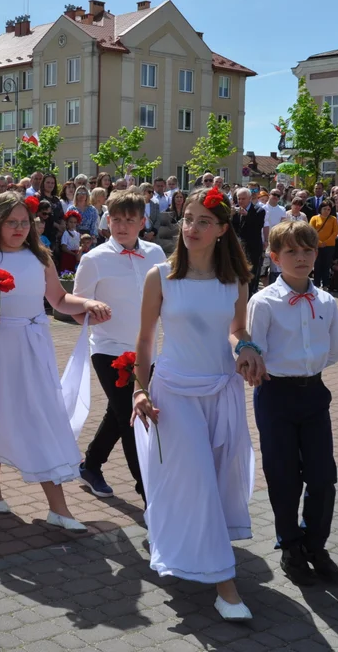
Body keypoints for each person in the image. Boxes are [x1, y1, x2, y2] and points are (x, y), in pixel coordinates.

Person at [0, 192, 112, 530]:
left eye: (24, 222)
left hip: (31, 348)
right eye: (12, 222)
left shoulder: (40, 258)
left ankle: (59, 508)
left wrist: (86, 305)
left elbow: (58, 299)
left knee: (38, 418)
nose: (19, 228)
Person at [131, 187, 260, 621]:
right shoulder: (160, 277)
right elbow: (146, 340)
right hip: (174, 394)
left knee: (216, 482)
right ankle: (226, 587)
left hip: (222, 391)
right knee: (200, 480)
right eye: (188, 218)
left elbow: (237, 329)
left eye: (204, 221)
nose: (192, 228)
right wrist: (140, 389)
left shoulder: (236, 280)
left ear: (223, 229)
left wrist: (245, 348)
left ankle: (187, 547)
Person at [248, 221, 338, 587]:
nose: (301, 258)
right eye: (291, 252)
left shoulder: (326, 301)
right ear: (275, 258)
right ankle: (290, 544)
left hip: (314, 395)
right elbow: (254, 348)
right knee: (284, 476)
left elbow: (334, 350)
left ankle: (315, 544)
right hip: (276, 396)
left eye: (307, 250)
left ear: (317, 254)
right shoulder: (264, 302)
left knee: (323, 477)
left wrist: (309, 368)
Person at [72, 190, 167, 503]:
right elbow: (73, 308)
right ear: (107, 221)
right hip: (109, 350)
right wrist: (89, 305)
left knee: (119, 412)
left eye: (130, 220)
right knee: (133, 417)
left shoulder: (156, 254)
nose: (122, 226)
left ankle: (91, 464)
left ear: (142, 222)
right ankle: (149, 494)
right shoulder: (94, 259)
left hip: (146, 350)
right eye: (116, 219)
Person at [231, 188, 266, 297]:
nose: (240, 201)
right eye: (239, 199)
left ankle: (250, 297)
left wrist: (247, 216)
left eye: (243, 199)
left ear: (250, 199)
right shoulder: (237, 211)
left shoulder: (259, 210)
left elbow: (257, 227)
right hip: (239, 248)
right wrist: (231, 216)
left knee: (252, 275)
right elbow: (234, 230)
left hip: (253, 248)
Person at [309, 201, 338, 290]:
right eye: (324, 209)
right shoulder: (314, 218)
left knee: (326, 265)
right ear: (320, 209)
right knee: (317, 265)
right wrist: (319, 242)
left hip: (329, 246)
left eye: (328, 209)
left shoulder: (333, 219)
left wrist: (326, 242)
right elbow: (311, 231)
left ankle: (326, 284)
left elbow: (335, 232)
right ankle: (316, 284)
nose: (326, 211)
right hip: (317, 245)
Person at [155, 190, 186, 256]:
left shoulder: (186, 211)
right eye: (177, 197)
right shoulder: (168, 211)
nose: (179, 199)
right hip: (171, 241)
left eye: (181, 197)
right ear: (173, 199)